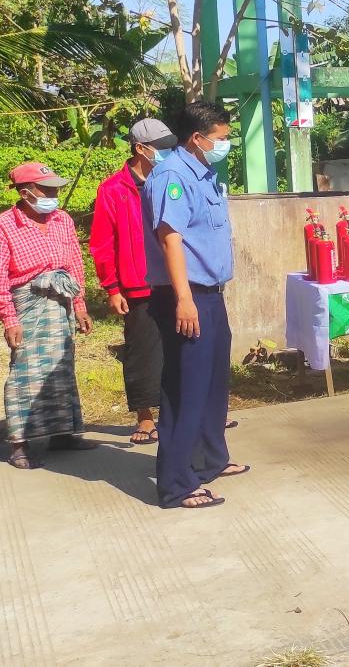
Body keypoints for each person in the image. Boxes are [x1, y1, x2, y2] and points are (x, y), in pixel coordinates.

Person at [142, 102, 243, 510]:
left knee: (213, 382)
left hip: (210, 294)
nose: (225, 144)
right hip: (186, 296)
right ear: (197, 138)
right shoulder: (173, 176)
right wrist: (184, 300)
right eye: (220, 138)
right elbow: (171, 240)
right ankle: (177, 483)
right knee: (185, 388)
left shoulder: (204, 173)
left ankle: (208, 460)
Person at [0, 162, 96, 470]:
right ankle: (19, 444)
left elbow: (74, 262)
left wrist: (79, 304)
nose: (54, 195)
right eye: (47, 190)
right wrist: (9, 318)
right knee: (26, 372)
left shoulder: (62, 219)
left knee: (62, 368)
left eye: (56, 189)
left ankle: (63, 433)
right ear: (25, 193)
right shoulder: (2, 226)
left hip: (61, 302)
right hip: (28, 305)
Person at [89, 118, 177, 444]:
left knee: (183, 347)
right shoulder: (113, 189)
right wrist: (112, 288)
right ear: (140, 148)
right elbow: (102, 242)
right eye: (161, 147)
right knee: (142, 350)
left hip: (175, 280)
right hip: (138, 284)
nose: (168, 152)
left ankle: (189, 412)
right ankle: (145, 417)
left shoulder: (172, 180)